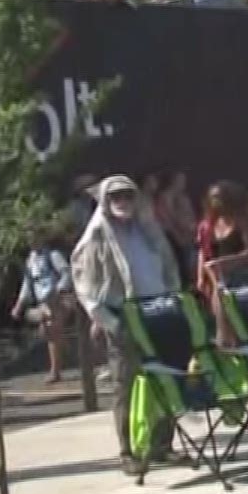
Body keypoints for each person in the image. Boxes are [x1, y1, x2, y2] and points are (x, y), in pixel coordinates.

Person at [72, 176, 182, 473]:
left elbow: (167, 264)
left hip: (157, 311)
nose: (123, 202)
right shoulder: (97, 235)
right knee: (126, 384)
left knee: (163, 376)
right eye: (116, 196)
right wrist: (106, 320)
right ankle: (128, 452)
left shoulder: (147, 228)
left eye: (128, 195)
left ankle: (162, 444)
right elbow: (84, 283)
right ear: (106, 201)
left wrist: (173, 299)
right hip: (124, 317)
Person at [196, 181, 248, 345]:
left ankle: (230, 344)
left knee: (237, 317)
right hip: (217, 278)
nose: (216, 202)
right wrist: (201, 278)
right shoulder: (207, 226)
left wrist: (226, 262)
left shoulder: (241, 222)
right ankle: (225, 345)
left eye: (220, 197)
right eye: (213, 198)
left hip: (242, 276)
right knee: (220, 308)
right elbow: (203, 252)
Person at [12, 232, 75, 383]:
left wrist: (59, 290)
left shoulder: (53, 255)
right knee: (46, 331)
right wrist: (19, 305)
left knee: (51, 328)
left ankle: (55, 371)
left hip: (58, 300)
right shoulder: (30, 260)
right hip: (42, 302)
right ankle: (67, 351)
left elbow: (67, 273)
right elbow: (28, 284)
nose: (31, 241)